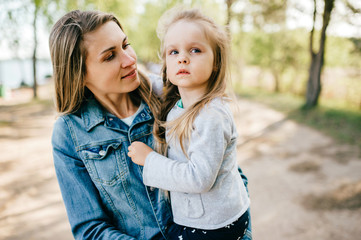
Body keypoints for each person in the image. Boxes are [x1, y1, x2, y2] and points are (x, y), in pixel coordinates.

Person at [128, 7, 251, 240]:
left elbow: (199, 178)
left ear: (216, 62)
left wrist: (150, 160)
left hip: (215, 227)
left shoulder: (212, 115)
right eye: (173, 52)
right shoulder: (181, 102)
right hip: (198, 219)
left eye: (195, 50)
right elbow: (156, 84)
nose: (183, 57)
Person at [49, 10, 171, 239]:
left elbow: (227, 178)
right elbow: (90, 229)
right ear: (79, 74)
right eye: (109, 56)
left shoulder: (170, 97)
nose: (130, 59)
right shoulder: (68, 133)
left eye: (126, 45)